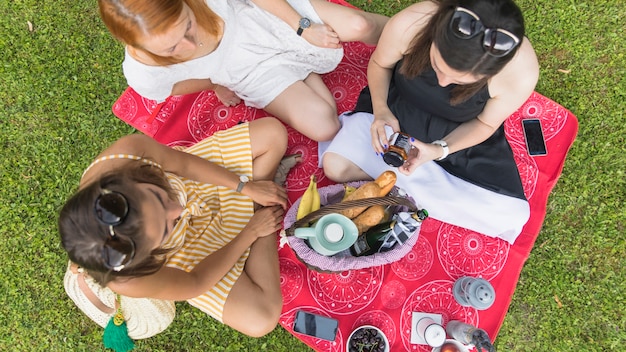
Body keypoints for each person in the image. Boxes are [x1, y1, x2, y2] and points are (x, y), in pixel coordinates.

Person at [321, 0, 539, 242]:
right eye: (437, 65)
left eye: (460, 80)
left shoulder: (520, 71)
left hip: (456, 137)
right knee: (335, 165)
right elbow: (380, 64)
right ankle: (416, 191)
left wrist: (438, 150)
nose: (443, 82)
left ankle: (403, 185)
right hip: (396, 109)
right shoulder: (413, 23)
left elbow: (486, 124)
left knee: (509, 217)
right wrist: (381, 110)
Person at [59, 117, 289, 338]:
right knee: (260, 319)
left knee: (272, 134)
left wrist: (244, 187)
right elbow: (195, 281)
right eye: (165, 229)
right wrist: (250, 232)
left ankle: (259, 199)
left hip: (193, 185)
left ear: (127, 183)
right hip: (185, 252)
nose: (178, 211)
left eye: (157, 197)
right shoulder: (128, 279)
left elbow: (184, 164)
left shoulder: (127, 152)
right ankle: (261, 210)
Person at [98, 0, 388, 142]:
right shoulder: (142, 72)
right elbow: (171, 87)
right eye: (171, 50)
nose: (188, 45)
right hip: (246, 71)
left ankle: (416, 34)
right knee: (326, 127)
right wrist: (213, 84)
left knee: (360, 26)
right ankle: (303, 72)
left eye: (188, 25)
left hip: (261, 18)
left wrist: (302, 26)